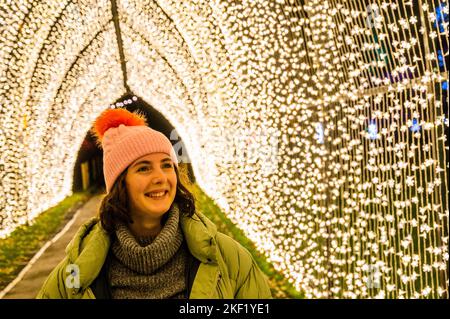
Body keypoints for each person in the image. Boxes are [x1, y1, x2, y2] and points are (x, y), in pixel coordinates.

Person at [36, 108, 272, 299]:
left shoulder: (228, 259)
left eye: (166, 165)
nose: (161, 177)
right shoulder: (75, 274)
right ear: (120, 185)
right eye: (144, 168)